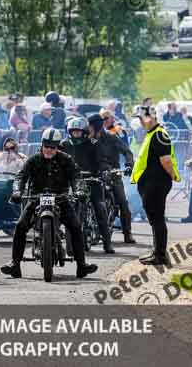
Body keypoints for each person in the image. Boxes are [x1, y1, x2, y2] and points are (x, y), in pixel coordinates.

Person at [0, 128, 98, 279]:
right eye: (46, 146)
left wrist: (79, 191)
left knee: (76, 226)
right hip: (36, 198)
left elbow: (76, 177)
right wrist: (17, 191)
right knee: (20, 226)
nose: (49, 150)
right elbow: (20, 177)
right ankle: (15, 264)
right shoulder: (33, 160)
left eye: (53, 147)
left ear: (57, 147)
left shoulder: (66, 159)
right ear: (42, 145)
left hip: (61, 198)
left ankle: (81, 265)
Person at [130, 106, 180, 266]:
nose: (139, 122)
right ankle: (158, 251)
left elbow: (165, 160)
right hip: (152, 183)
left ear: (149, 118)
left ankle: (160, 255)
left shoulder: (159, 135)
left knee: (157, 219)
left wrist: (172, 175)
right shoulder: (153, 134)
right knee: (155, 219)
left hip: (156, 184)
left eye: (140, 118)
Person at [59, 117, 114, 253]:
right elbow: (57, 160)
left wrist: (104, 171)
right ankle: (61, 240)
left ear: (84, 132)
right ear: (69, 132)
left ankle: (107, 243)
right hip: (72, 182)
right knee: (63, 208)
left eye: (78, 132)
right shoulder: (64, 144)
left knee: (100, 208)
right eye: (73, 132)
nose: (76, 134)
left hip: (91, 180)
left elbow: (102, 161)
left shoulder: (93, 144)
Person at [87, 113, 136, 244]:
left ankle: (127, 233)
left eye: (90, 126)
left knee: (122, 203)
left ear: (95, 126)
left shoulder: (112, 137)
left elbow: (127, 151)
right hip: (94, 174)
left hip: (113, 174)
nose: (88, 128)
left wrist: (129, 164)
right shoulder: (87, 139)